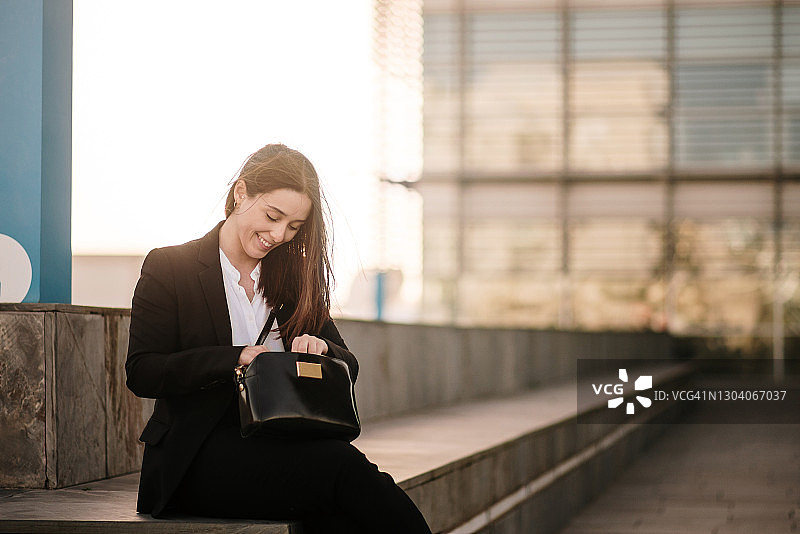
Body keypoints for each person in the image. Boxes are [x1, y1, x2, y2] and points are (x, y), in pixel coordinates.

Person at [125, 144, 431, 533]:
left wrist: (322, 350)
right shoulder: (171, 267)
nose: (278, 235)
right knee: (342, 469)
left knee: (337, 513)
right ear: (241, 193)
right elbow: (143, 371)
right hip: (195, 456)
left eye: (293, 227)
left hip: (279, 441)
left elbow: (348, 364)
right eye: (273, 216)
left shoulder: (290, 279)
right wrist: (234, 358)